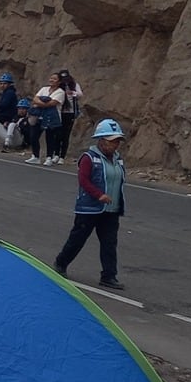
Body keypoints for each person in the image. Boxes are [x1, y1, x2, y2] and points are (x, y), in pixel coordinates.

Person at [55, 118, 128, 290]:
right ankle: (61, 262)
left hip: (111, 210)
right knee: (78, 238)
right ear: (102, 141)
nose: (116, 144)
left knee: (109, 243)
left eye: (117, 141)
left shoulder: (118, 159)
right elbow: (84, 181)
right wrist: (99, 195)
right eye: (112, 141)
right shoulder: (89, 158)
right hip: (89, 209)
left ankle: (109, 276)